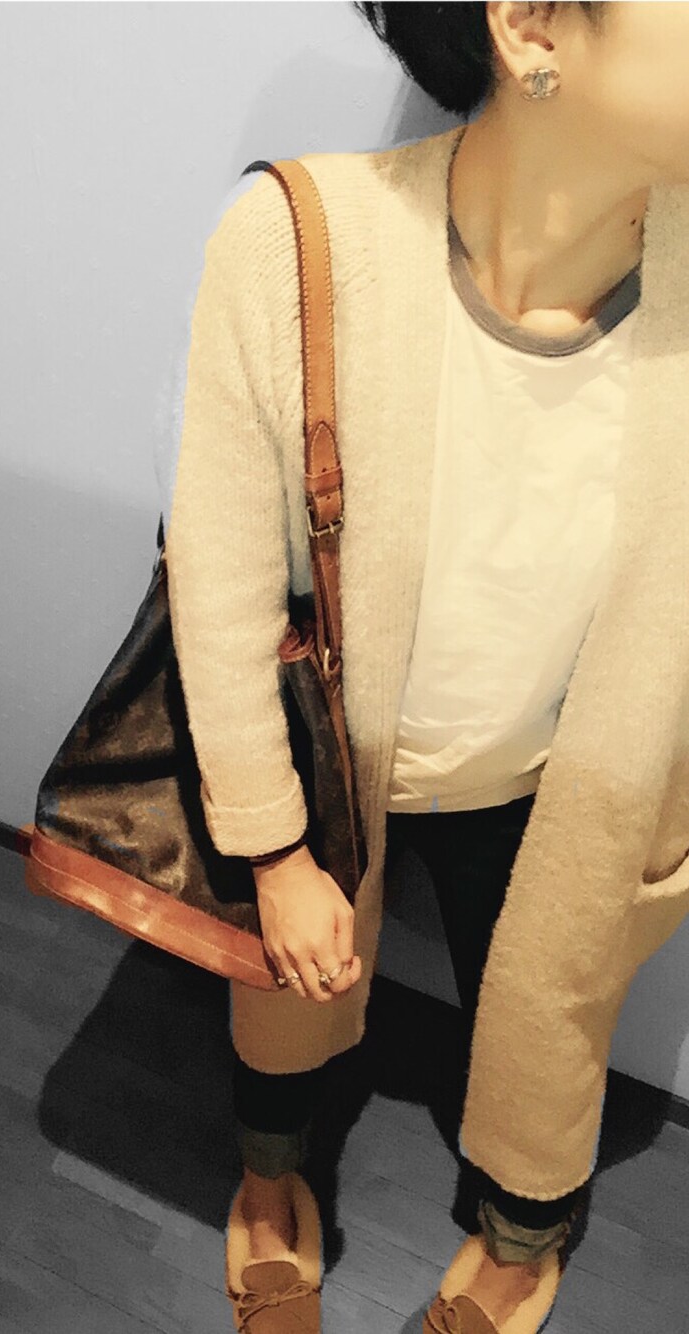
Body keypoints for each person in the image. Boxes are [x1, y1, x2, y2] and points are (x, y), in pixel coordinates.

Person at [162, 4, 689, 1331]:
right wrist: (274, 847)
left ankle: (519, 1244)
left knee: (551, 1021)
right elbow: (219, 580)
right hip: (335, 757)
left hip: (560, 787)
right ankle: (271, 1179)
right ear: (534, 25)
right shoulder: (298, 243)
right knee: (283, 997)